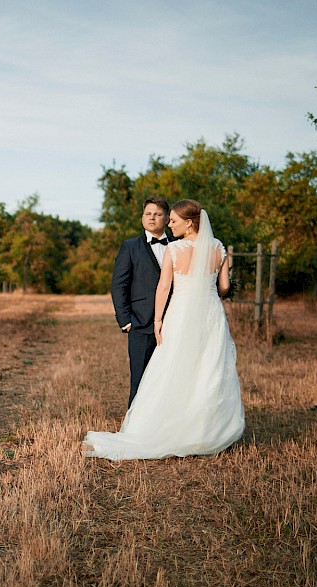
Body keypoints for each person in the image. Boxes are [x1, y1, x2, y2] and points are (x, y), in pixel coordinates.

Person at [84, 200, 244, 460]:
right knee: (207, 371)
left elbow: (163, 288)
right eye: (154, 215)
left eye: (171, 219)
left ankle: (156, 428)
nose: (168, 223)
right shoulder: (218, 248)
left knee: (168, 371)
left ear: (188, 222)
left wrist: (159, 322)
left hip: (178, 316)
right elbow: (224, 287)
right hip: (211, 316)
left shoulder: (175, 247)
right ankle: (205, 431)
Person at [111, 196, 172, 407]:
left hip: (174, 322)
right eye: (148, 214)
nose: (152, 218)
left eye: (157, 214)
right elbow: (119, 285)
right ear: (141, 218)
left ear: (167, 218)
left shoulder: (179, 246)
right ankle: (134, 429)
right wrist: (126, 320)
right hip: (140, 323)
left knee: (171, 380)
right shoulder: (130, 247)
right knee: (140, 380)